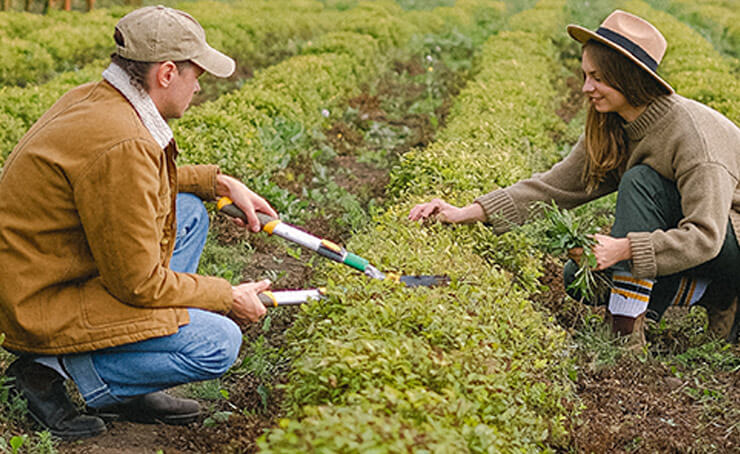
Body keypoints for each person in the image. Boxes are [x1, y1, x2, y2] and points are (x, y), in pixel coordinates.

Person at [0, 6, 279, 439]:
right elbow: (139, 284)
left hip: (49, 270)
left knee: (185, 212)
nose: (199, 86)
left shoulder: (96, 99)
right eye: (196, 74)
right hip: (42, 302)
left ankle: (126, 374)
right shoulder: (123, 141)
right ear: (166, 74)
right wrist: (225, 296)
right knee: (219, 342)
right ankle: (48, 368)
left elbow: (127, 184)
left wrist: (215, 181)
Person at [409, 10, 740, 348]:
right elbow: (554, 187)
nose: (586, 88)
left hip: (728, 237)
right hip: (705, 243)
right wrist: (467, 212)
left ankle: (625, 335)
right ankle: (717, 294)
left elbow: (705, 237)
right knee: (580, 278)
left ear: (626, 77)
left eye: (597, 77)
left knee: (640, 182)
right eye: (585, 75)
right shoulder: (614, 123)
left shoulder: (693, 137)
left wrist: (622, 248)